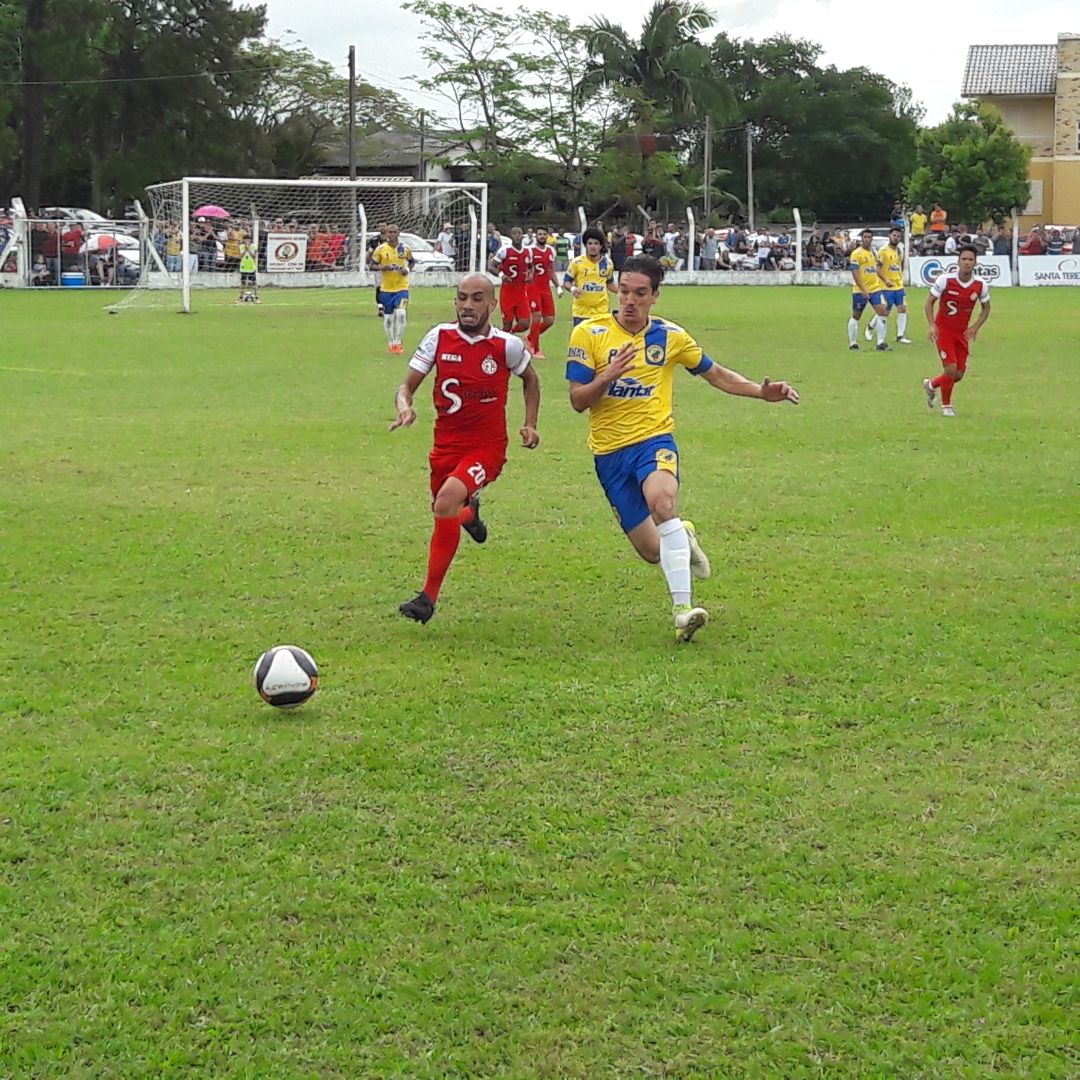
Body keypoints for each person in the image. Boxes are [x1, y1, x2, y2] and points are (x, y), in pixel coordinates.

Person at [565, 255, 799, 644]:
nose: (630, 301)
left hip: (653, 441)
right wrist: (607, 375)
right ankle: (683, 537)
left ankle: (682, 610)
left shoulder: (671, 337)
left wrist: (760, 392)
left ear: (655, 296)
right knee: (652, 552)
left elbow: (716, 374)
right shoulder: (589, 334)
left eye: (640, 293)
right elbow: (577, 400)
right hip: (608, 455)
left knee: (663, 502)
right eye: (623, 291)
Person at [390, 273, 541, 623]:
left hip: (486, 449)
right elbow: (406, 386)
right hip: (445, 447)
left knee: (445, 502)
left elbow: (531, 380)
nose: (467, 306)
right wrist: (404, 406)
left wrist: (530, 424)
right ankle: (469, 515)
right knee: (446, 509)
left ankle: (427, 597)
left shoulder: (507, 346)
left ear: (492, 304)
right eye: (461, 298)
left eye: (476, 299)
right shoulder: (439, 338)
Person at [922, 244, 990, 418]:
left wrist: (975, 327)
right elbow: (929, 302)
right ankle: (947, 406)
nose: (967, 263)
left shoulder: (980, 285)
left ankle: (931, 384)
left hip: (962, 333)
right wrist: (932, 325)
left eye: (970, 260)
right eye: (964, 259)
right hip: (944, 331)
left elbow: (986, 307)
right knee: (951, 370)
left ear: (976, 263)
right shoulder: (945, 280)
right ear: (958, 261)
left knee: (958, 375)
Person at [368, 224, 414, 354]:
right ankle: (390, 341)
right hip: (386, 289)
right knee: (388, 318)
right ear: (387, 234)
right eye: (390, 232)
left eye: (395, 232)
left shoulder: (405, 248)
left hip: (402, 287)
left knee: (401, 314)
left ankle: (398, 343)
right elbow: (371, 265)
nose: (392, 234)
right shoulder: (380, 249)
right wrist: (381, 268)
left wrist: (407, 269)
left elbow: (412, 261)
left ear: (398, 233)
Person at [563, 226, 617, 326]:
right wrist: (573, 289)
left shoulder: (607, 263)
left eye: (596, 243)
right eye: (590, 243)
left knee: (601, 341)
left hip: (601, 312)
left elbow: (610, 284)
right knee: (580, 341)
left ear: (601, 246)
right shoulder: (576, 262)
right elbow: (566, 282)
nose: (593, 246)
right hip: (581, 312)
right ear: (586, 245)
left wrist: (623, 291)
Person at [848, 229, 890, 351]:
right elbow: (855, 272)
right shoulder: (856, 254)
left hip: (875, 289)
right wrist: (863, 289)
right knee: (856, 315)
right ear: (861, 239)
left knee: (883, 311)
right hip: (860, 290)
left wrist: (885, 279)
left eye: (869, 237)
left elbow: (875, 269)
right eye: (865, 237)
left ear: (872, 239)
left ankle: (880, 343)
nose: (867, 239)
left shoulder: (873, 253)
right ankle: (853, 343)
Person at [488, 225, 533, 336]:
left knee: (525, 324)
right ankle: (504, 342)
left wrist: (531, 275)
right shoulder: (505, 251)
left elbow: (531, 267)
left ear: (522, 236)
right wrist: (501, 275)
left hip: (522, 292)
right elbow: (491, 266)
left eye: (519, 234)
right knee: (507, 324)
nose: (517, 236)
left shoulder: (528, 251)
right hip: (508, 292)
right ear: (510, 236)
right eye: (514, 234)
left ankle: (510, 334)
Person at [870, 227, 912, 345]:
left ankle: (900, 336)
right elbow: (877, 269)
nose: (896, 238)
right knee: (885, 311)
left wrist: (900, 279)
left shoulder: (900, 250)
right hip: (886, 286)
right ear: (889, 236)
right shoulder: (883, 250)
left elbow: (900, 265)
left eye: (898, 236)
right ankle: (871, 325)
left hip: (898, 285)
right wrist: (886, 279)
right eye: (894, 235)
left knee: (902, 308)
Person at [526, 226, 559, 358]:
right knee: (536, 316)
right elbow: (527, 268)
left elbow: (551, 269)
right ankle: (535, 349)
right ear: (536, 236)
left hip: (546, 287)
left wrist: (558, 286)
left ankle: (529, 338)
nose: (542, 236)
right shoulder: (530, 251)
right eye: (539, 234)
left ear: (547, 236)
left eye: (544, 234)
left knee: (549, 320)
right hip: (533, 287)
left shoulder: (551, 250)